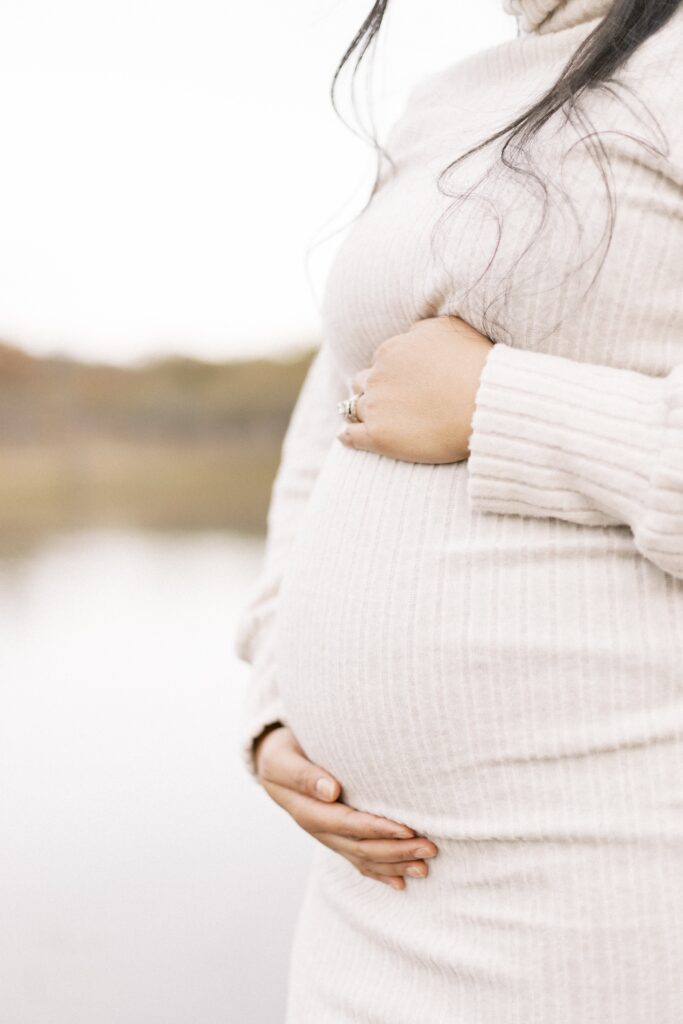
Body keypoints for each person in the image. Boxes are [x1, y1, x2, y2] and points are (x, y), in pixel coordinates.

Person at [234, 0, 683, 1019]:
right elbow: (331, 431)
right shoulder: (444, 108)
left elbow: (441, 398)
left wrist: (502, 406)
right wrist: (273, 702)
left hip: (612, 899)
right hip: (368, 910)